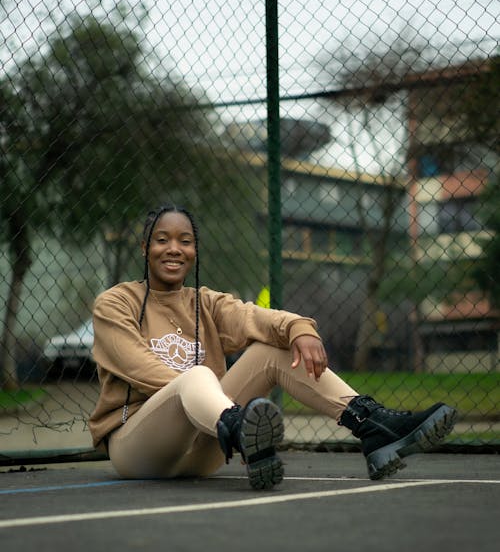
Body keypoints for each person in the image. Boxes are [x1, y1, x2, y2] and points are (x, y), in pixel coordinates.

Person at [89, 204, 457, 490]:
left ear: (195, 250)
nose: (174, 249)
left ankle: (372, 426)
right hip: (138, 449)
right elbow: (137, 366)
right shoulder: (116, 303)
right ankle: (242, 430)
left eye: (185, 241)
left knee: (273, 350)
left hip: (205, 449)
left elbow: (255, 318)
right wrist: (203, 394)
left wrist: (299, 329)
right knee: (195, 376)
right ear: (144, 247)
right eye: (162, 239)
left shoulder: (205, 302)